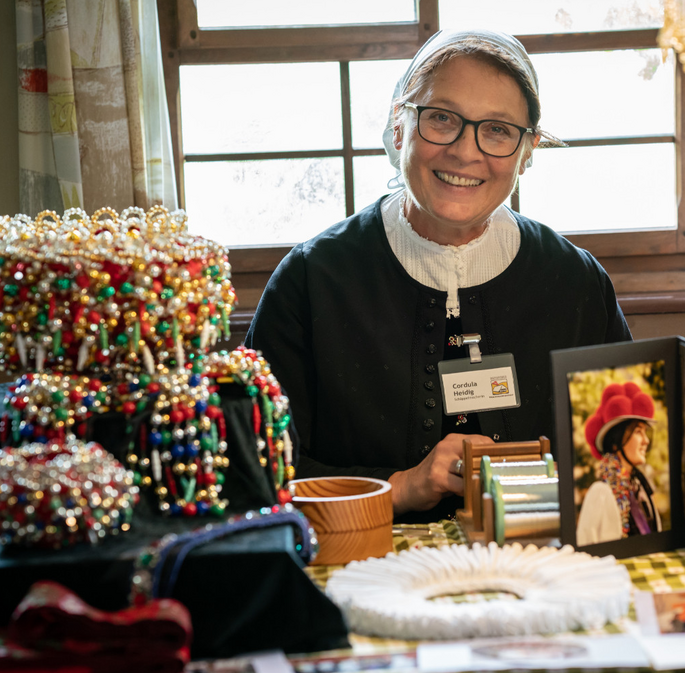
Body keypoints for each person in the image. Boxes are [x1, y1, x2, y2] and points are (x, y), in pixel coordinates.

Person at [244, 29, 631, 524]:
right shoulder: (311, 280)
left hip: (540, 559)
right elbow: (259, 471)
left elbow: (624, 461)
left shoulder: (576, 283)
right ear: (399, 126)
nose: (466, 152)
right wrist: (402, 486)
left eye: (497, 130)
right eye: (441, 118)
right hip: (361, 558)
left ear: (527, 150)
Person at [576, 382, 663, 545]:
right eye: (638, 432)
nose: (646, 440)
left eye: (645, 432)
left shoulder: (639, 488)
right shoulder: (600, 493)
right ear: (616, 443)